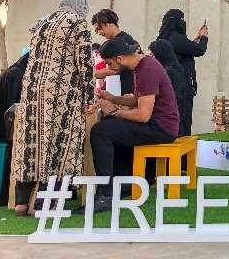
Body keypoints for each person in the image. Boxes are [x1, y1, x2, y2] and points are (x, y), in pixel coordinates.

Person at [12, 0, 96, 216]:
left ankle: (21, 203)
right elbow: (85, 63)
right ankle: (44, 204)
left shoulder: (42, 22)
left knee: (32, 144)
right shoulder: (77, 23)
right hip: (62, 93)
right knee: (59, 145)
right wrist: (90, 97)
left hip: (32, 92)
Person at [77, 37, 180, 214]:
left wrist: (114, 111)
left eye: (110, 64)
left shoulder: (147, 70)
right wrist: (113, 99)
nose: (109, 68)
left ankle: (106, 195)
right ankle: (123, 182)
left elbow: (143, 115)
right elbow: (139, 100)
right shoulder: (142, 65)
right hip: (159, 123)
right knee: (109, 127)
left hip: (161, 128)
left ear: (120, 58)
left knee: (101, 131)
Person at [157, 9, 208, 136]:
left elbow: (187, 49)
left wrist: (196, 39)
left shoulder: (168, 38)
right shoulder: (176, 38)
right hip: (182, 85)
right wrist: (204, 37)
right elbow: (199, 50)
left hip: (173, 84)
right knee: (183, 120)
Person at [0, 51, 30, 207]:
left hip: (2, 125)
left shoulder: (14, 72)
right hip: (3, 128)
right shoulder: (17, 75)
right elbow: (15, 109)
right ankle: (7, 196)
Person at [91, 9, 140, 97]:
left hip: (127, 89)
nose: (99, 33)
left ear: (109, 24)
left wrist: (90, 75)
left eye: (99, 29)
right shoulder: (115, 41)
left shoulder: (124, 40)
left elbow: (115, 69)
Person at [148, 38, 188, 137]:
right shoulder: (175, 69)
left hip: (169, 123)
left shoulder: (170, 72)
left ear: (161, 54)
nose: (151, 59)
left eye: (153, 55)